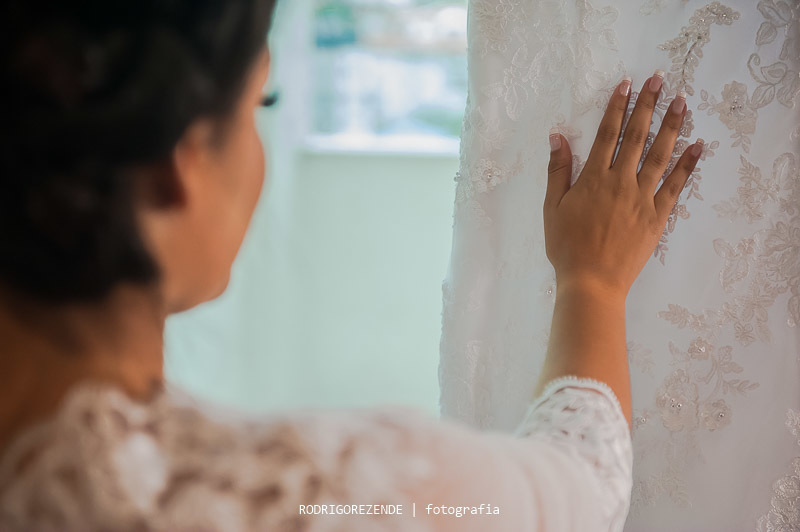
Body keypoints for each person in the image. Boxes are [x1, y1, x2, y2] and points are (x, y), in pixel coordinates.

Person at [0, 1, 703, 530]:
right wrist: (593, 283)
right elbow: (581, 490)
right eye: (258, 103)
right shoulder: (302, 494)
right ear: (173, 173)